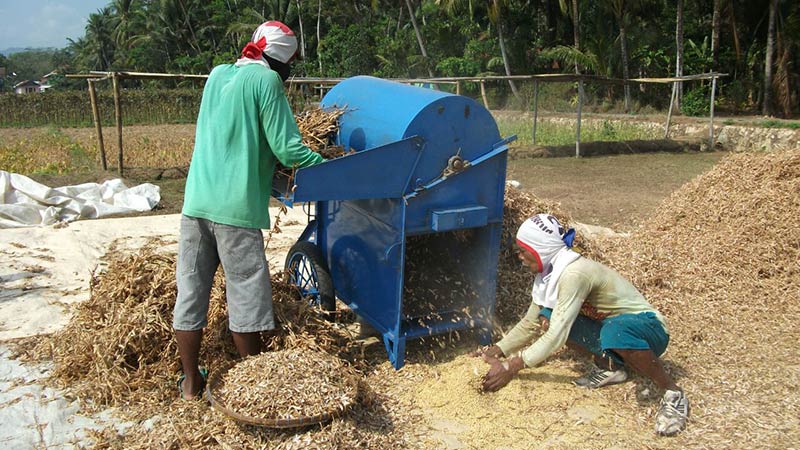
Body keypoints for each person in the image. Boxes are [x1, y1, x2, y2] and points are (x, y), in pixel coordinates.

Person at [173, 21, 325, 400]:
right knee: (246, 299)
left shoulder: (217, 75)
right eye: (289, 65)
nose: (289, 74)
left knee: (190, 294)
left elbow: (231, 131)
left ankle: (191, 383)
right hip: (235, 211)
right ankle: (253, 389)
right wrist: (325, 162)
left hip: (195, 204)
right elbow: (289, 149)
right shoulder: (267, 82)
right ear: (279, 61)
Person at [476, 213, 689, 436]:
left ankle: (673, 393)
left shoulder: (574, 274)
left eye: (523, 249)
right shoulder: (548, 274)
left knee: (612, 330)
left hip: (648, 329)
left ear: (541, 248)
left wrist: (513, 366)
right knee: (547, 315)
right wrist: (496, 350)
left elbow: (559, 334)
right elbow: (530, 322)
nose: (519, 255)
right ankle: (612, 369)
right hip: (612, 328)